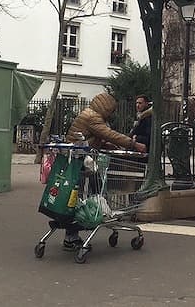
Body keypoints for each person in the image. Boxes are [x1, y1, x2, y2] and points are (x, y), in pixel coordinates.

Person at [61, 92, 146, 250]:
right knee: (83, 196)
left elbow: (94, 137)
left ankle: (85, 224)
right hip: (81, 162)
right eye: (111, 110)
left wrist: (105, 144)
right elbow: (108, 134)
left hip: (80, 160)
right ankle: (73, 234)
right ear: (106, 107)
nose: (112, 114)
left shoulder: (88, 114)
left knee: (89, 192)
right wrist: (133, 144)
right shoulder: (93, 117)